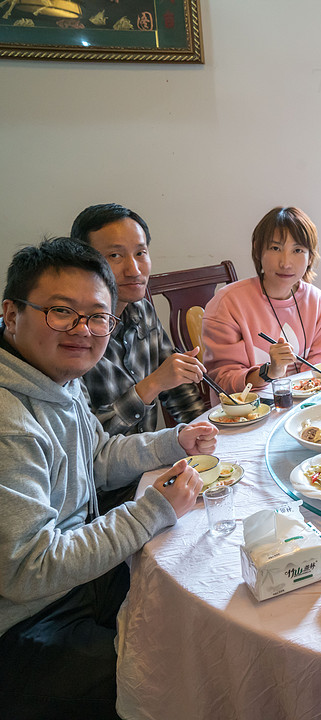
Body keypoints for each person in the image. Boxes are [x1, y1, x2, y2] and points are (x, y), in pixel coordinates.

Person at [0, 238, 217, 719]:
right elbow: (27, 570)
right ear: (11, 314)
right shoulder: (9, 419)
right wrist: (151, 511)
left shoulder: (58, 375)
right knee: (178, 670)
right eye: (62, 311)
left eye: (98, 317)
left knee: (197, 601)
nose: (83, 330)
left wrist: (171, 442)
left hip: (78, 580)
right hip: (27, 621)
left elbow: (96, 457)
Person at [71, 203, 207, 435]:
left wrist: (207, 431)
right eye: (115, 255)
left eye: (140, 253)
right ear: (84, 262)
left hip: (150, 457)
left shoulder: (141, 309)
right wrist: (151, 385)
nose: (134, 270)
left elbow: (177, 389)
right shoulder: (73, 332)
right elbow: (87, 444)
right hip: (107, 469)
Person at [202, 206, 321, 393]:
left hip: (303, 409)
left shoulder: (316, 301)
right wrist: (270, 372)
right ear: (258, 250)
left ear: (310, 256)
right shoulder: (228, 303)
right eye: (275, 248)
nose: (285, 263)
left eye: (297, 250)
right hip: (249, 414)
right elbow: (222, 380)